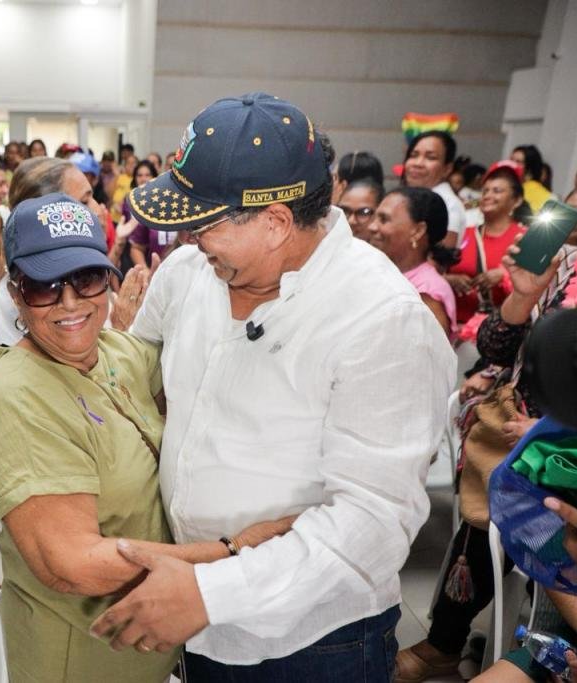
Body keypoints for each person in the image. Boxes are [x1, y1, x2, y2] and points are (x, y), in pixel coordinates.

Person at [88, 92, 455, 680]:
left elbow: (372, 523)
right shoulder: (190, 274)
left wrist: (215, 589)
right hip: (195, 613)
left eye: (202, 224)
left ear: (276, 221)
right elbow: (140, 381)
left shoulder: (381, 320)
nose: (188, 241)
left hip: (313, 640)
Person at [0, 192, 297, 682]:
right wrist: (230, 551)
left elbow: (205, 400)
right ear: (16, 294)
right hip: (80, 656)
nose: (70, 301)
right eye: (44, 287)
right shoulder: (17, 397)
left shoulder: (116, 350)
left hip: (147, 648)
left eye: (86, 279)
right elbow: (72, 564)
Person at [395, 167, 577, 683]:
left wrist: (549, 432)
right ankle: (449, 641)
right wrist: (521, 297)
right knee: (495, 499)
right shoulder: (569, 266)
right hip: (523, 445)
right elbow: (496, 346)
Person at [0, 156, 133, 352]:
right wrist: (119, 331)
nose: (97, 209)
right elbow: (74, 372)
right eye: (84, 201)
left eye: (90, 281)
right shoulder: (17, 296)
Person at [446, 162, 528, 328]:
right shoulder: (463, 233)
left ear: (517, 200)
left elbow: (535, 284)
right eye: (485, 191)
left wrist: (504, 276)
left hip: (497, 332)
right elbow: (435, 272)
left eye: (497, 191)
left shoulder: (525, 237)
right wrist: (449, 279)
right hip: (452, 327)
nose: (488, 195)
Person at [366, 187, 457, 339]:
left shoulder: (427, 293)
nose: (372, 226)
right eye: (374, 217)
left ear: (418, 231)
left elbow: (428, 358)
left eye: (384, 219)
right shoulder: (379, 271)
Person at [404, 131, 467, 247]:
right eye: (413, 155)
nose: (418, 163)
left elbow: (441, 259)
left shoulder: (449, 205)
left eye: (430, 157)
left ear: (447, 168)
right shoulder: (409, 197)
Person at [126, 161, 175, 268]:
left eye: (147, 175)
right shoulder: (150, 207)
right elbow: (136, 247)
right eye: (139, 175)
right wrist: (146, 272)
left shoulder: (192, 205)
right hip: (154, 273)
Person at [512, 144, 554, 213]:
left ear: (529, 169)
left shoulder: (546, 196)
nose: (512, 164)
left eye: (518, 162)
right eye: (511, 159)